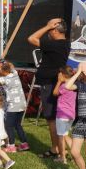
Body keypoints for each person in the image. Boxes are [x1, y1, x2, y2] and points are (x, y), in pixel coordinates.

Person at [27, 18, 70, 158]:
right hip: (53, 83)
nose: (47, 32)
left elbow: (31, 38)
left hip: (49, 84)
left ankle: (57, 149)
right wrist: (49, 26)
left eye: (50, 29)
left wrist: (46, 26)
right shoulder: (64, 43)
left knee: (51, 119)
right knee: (56, 119)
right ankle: (60, 149)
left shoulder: (55, 44)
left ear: (55, 30)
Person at [0, 61, 29, 152]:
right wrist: (4, 63)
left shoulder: (5, 79)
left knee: (9, 126)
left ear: (2, 71)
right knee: (18, 125)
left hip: (13, 105)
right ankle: (24, 144)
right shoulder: (15, 74)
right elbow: (11, 65)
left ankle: (11, 146)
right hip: (22, 104)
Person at [53, 66, 76, 164]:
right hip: (71, 115)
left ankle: (63, 158)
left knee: (61, 136)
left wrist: (58, 81)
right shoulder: (74, 86)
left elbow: (55, 93)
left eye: (60, 73)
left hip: (62, 115)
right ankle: (75, 156)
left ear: (63, 75)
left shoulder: (64, 86)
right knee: (66, 135)